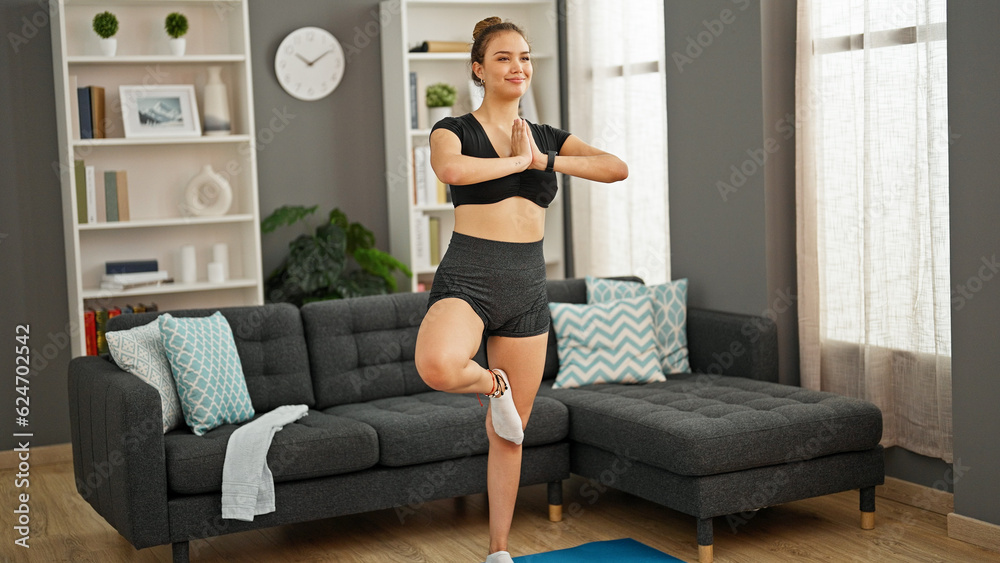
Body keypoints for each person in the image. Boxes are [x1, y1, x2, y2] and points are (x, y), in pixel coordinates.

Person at [413, 16, 628, 563]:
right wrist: (518, 160)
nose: (518, 67)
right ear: (479, 69)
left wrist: (546, 159)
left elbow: (615, 167)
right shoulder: (452, 128)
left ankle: (499, 552)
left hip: (527, 286)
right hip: (469, 277)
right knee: (437, 364)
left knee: (510, 436)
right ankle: (492, 385)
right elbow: (451, 171)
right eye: (505, 57)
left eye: (525, 57)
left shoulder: (548, 137)